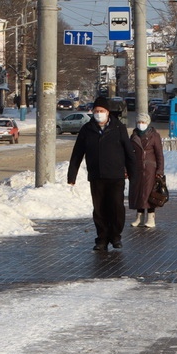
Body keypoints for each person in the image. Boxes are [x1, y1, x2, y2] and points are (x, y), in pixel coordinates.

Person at [67, 97, 137, 251]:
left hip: (115, 175)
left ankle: (115, 236)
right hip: (96, 175)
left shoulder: (119, 128)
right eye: (96, 111)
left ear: (107, 112)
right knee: (99, 209)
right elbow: (77, 153)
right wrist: (72, 176)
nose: (99, 114)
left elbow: (128, 152)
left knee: (116, 207)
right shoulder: (87, 129)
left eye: (102, 111)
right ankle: (102, 239)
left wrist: (133, 174)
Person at [128, 111, 165, 228]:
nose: (140, 124)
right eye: (139, 122)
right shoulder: (134, 135)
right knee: (138, 193)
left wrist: (159, 171)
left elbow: (159, 155)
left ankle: (151, 217)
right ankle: (139, 217)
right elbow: (129, 153)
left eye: (143, 122)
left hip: (150, 169)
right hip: (137, 169)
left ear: (147, 123)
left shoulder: (154, 136)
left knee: (149, 193)